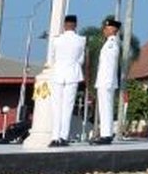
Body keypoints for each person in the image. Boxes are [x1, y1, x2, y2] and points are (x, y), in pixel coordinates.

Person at [48, 14, 87, 147]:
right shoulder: (81, 40)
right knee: (68, 107)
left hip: (58, 73)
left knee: (56, 107)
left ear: (64, 25)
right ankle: (63, 137)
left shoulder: (56, 40)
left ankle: (55, 137)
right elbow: (81, 60)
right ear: (75, 25)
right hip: (72, 74)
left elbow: (52, 58)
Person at [93, 17, 122, 145]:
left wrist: (108, 80)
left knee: (106, 107)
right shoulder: (108, 43)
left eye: (106, 28)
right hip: (105, 80)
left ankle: (106, 134)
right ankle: (105, 133)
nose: (104, 30)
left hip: (107, 80)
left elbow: (109, 65)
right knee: (104, 108)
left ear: (113, 29)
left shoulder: (111, 43)